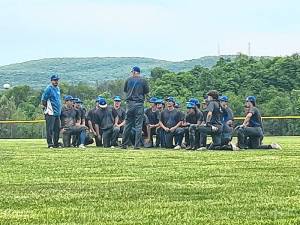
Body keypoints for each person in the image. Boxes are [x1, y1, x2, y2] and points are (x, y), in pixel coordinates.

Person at [121, 66, 150, 149]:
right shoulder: (143, 80)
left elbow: (126, 90)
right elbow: (146, 91)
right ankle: (137, 145)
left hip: (129, 104)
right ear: (139, 72)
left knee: (127, 125)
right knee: (138, 125)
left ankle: (124, 144)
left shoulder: (128, 80)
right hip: (139, 104)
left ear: (134, 72)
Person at [41, 75, 61, 148]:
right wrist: (45, 108)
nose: (56, 81)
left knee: (57, 129)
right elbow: (44, 99)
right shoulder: (48, 89)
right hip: (50, 112)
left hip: (57, 112)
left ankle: (56, 143)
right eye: (54, 80)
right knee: (50, 129)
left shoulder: (58, 88)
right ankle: (50, 144)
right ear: (51, 81)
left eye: (57, 80)